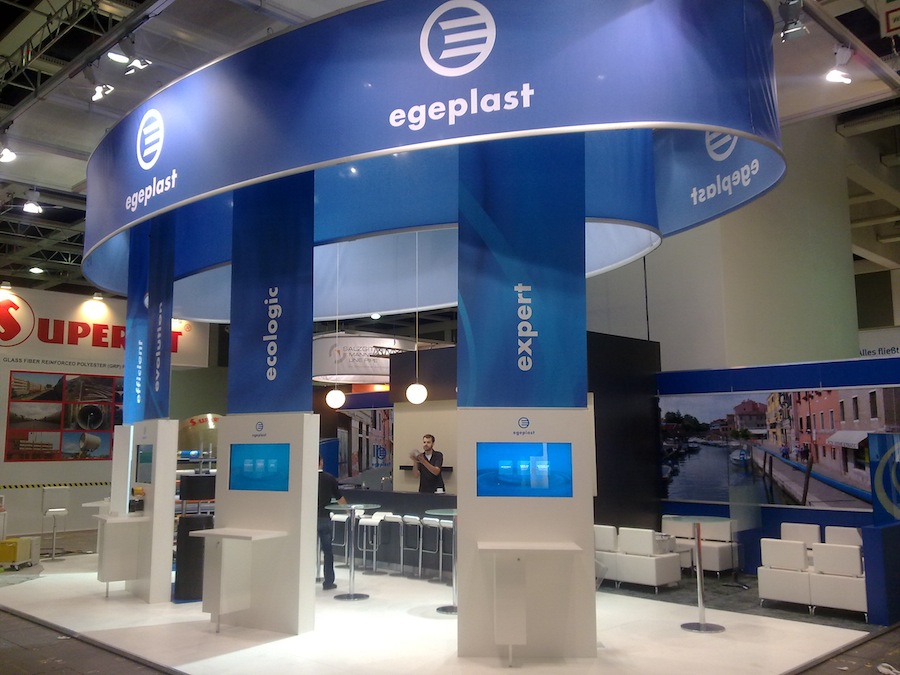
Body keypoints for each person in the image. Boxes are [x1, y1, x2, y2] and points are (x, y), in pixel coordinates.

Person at [317, 455, 346, 590]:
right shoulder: (329, 478)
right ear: (321, 462)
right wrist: (348, 511)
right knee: (327, 551)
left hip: (308, 519)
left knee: (305, 550)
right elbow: (339, 498)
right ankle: (328, 581)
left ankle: (302, 579)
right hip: (324, 518)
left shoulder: (305, 478)